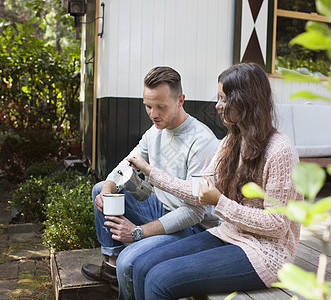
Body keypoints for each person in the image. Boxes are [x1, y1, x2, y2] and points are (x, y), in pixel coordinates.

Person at [128, 62, 303, 299]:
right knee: (141, 265)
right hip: (229, 234)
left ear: (244, 101)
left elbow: (277, 225)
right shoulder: (231, 143)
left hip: (265, 253)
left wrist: (220, 202)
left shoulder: (280, 151)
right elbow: (196, 191)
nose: (217, 105)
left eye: (223, 99)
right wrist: (151, 172)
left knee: (159, 280)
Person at [81, 66, 221, 299]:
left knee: (132, 261)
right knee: (102, 189)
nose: (153, 113)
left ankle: (123, 276)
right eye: (148, 106)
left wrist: (138, 232)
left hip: (192, 228)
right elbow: (126, 165)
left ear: (180, 100)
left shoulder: (202, 141)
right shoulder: (154, 132)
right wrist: (107, 187)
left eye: (160, 107)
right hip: (160, 207)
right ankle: (112, 268)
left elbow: (195, 213)